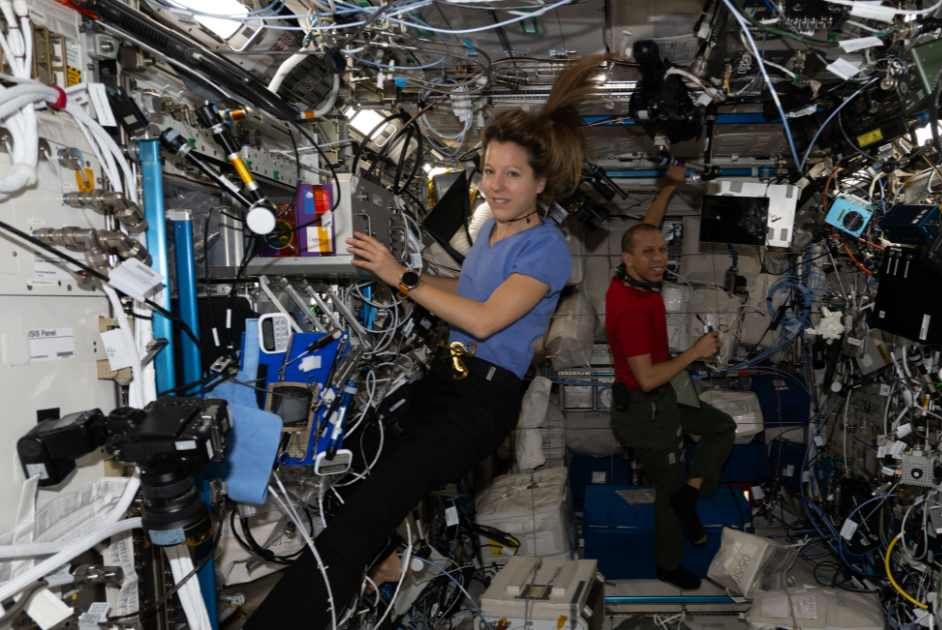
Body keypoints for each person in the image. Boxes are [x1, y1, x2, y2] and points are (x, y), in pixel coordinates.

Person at [245, 54, 606, 627]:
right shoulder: (491, 228)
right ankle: (385, 568)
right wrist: (387, 273)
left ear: (541, 182)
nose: (496, 184)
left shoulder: (548, 249)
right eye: (489, 170)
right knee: (354, 463)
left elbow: (486, 319)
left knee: (365, 510)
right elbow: (466, 286)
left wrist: (400, 276)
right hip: (448, 379)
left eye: (512, 174)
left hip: (480, 402)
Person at [604, 166, 736, 591]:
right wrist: (695, 354)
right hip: (644, 409)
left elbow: (649, 226)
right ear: (629, 259)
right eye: (650, 253)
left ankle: (690, 493)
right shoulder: (631, 307)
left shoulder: (629, 275)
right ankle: (667, 564)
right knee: (667, 488)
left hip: (667, 391)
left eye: (663, 250)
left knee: (721, 427)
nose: (660, 258)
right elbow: (644, 379)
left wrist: (669, 188)